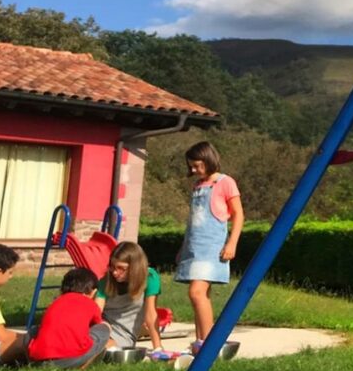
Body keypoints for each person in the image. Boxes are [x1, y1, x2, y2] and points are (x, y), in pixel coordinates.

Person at [176, 141, 244, 354]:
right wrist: (183, 248)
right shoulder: (197, 186)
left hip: (211, 248)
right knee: (200, 296)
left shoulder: (225, 182)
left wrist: (232, 243)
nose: (194, 170)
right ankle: (199, 343)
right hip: (193, 247)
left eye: (197, 165)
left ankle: (208, 345)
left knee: (196, 293)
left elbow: (238, 215)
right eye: (191, 166)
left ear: (208, 160)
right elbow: (192, 222)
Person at [28, 267, 110, 369]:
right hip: (69, 359)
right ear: (93, 292)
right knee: (104, 328)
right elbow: (97, 323)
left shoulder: (55, 302)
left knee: (35, 330)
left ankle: (31, 360)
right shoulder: (90, 304)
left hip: (39, 361)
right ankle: (84, 365)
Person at [98, 241, 163, 352]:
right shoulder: (106, 280)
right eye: (112, 267)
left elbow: (151, 314)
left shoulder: (150, 278)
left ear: (135, 267)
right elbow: (96, 311)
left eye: (121, 268)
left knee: (107, 347)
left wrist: (158, 348)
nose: (115, 272)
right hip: (103, 326)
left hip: (124, 333)